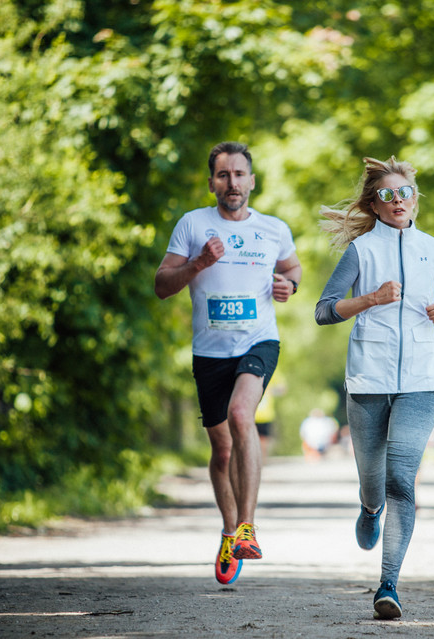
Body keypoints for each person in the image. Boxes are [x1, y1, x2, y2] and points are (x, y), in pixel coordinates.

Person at [315, 156, 434, 619]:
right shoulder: (361, 251)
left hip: (420, 378)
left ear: (415, 200)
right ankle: (368, 507)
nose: (397, 201)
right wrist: (370, 299)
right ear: (375, 206)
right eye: (387, 195)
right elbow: (324, 310)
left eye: (405, 194)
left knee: (402, 479)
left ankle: (389, 585)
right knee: (374, 481)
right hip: (369, 378)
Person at [155, 141, 302, 586]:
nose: (232, 183)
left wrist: (288, 287)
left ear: (252, 181)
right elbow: (162, 285)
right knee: (221, 451)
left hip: (259, 342)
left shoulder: (274, 228)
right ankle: (227, 528)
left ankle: (247, 529)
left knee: (243, 416)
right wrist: (199, 262)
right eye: (223, 175)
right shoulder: (192, 225)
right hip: (209, 352)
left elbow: (293, 270)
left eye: (240, 174)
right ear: (212, 183)